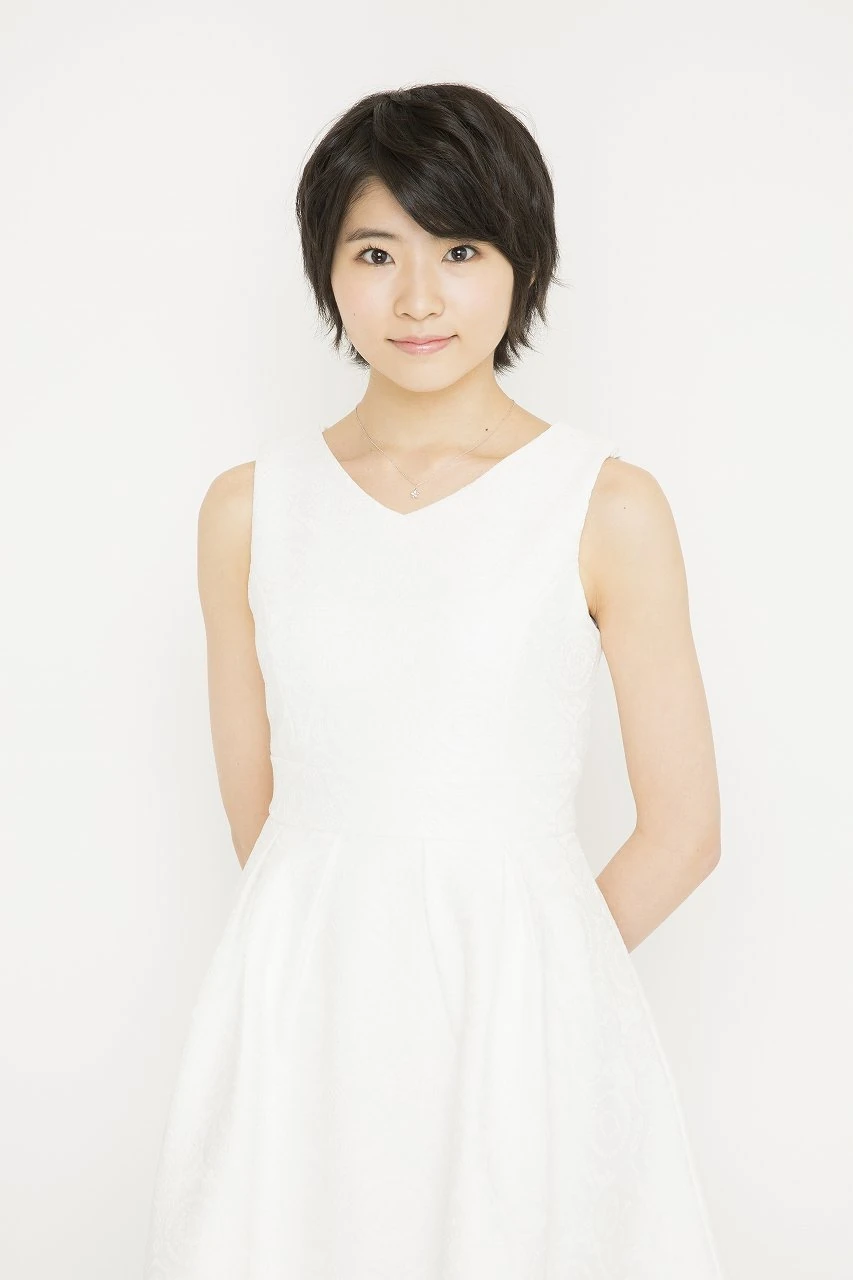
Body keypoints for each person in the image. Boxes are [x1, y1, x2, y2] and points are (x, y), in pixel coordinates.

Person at [143, 82, 726, 1277]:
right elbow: (264, 819)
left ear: (520, 262)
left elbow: (684, 829)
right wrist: (344, 978)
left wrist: (537, 987)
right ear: (327, 270)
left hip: (527, 1025)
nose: (417, 297)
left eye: (458, 250)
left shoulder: (605, 503)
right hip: (303, 1020)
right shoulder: (248, 508)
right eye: (375, 252)